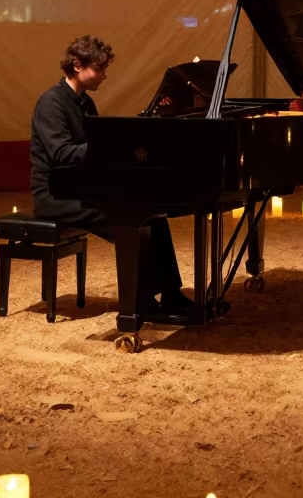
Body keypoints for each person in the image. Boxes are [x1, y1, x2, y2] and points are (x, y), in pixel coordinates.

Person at [30, 34, 193, 318]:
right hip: (54, 195)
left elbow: (91, 152)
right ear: (77, 65)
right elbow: (62, 154)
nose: (104, 76)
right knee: (129, 219)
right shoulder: (51, 103)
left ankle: (170, 293)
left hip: (79, 188)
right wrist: (110, 145)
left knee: (153, 214)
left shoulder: (85, 103)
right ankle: (140, 302)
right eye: (99, 68)